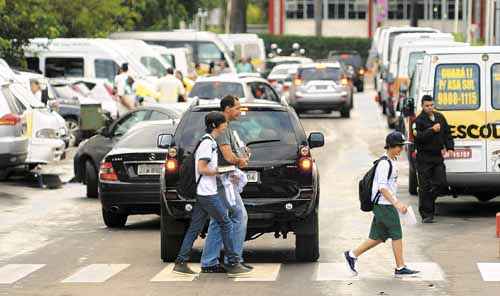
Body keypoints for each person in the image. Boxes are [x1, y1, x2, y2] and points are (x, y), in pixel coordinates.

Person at [173, 111, 251, 277]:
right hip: (208, 194)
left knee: (195, 228)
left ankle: (181, 261)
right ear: (215, 125)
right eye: (223, 123)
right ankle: (234, 262)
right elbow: (201, 168)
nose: (226, 126)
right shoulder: (207, 144)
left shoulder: (210, 142)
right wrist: (219, 171)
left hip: (205, 192)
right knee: (226, 223)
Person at [344, 131, 420, 277]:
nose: (402, 149)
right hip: (384, 205)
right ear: (391, 146)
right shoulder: (384, 164)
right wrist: (397, 204)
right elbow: (382, 187)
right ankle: (400, 267)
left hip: (384, 204)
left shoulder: (391, 161)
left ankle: (351, 255)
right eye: (399, 146)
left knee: (378, 237)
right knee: (396, 233)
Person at [200, 95, 251, 273]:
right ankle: (233, 260)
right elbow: (228, 157)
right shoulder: (222, 128)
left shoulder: (227, 128)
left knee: (218, 220)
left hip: (222, 180)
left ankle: (209, 262)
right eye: (237, 107)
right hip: (221, 181)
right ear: (227, 108)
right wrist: (240, 161)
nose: (240, 110)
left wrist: (242, 155)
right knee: (239, 215)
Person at [415, 95, 454, 223]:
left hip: (437, 157)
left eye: (431, 105)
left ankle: (429, 199)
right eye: (427, 106)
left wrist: (450, 148)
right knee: (424, 187)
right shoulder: (418, 121)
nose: (430, 107)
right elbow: (418, 137)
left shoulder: (440, 117)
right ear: (422, 106)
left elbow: (447, 133)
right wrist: (431, 130)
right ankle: (427, 215)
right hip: (424, 158)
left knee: (441, 183)